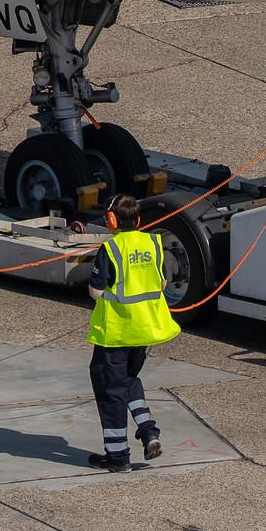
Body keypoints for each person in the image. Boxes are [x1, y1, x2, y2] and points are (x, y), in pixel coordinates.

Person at [86, 194, 180, 471]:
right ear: (139, 220)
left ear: (111, 220)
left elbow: (95, 291)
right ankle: (148, 431)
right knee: (128, 380)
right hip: (146, 329)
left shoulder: (111, 249)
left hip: (117, 333)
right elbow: (162, 282)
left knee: (110, 391)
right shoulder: (153, 243)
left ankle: (117, 457)